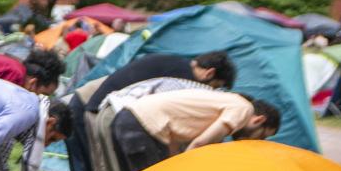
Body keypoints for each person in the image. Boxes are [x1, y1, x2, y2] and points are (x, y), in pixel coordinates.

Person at [107, 87, 281, 171]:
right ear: (259, 120)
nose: (257, 140)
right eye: (262, 136)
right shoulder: (243, 108)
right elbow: (199, 144)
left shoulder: (222, 102)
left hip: (126, 118)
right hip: (142, 126)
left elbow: (173, 146)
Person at [89, 50, 235, 100]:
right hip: (102, 110)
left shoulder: (177, 64)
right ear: (209, 73)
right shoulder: (184, 80)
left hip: (99, 102)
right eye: (215, 87)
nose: (211, 91)